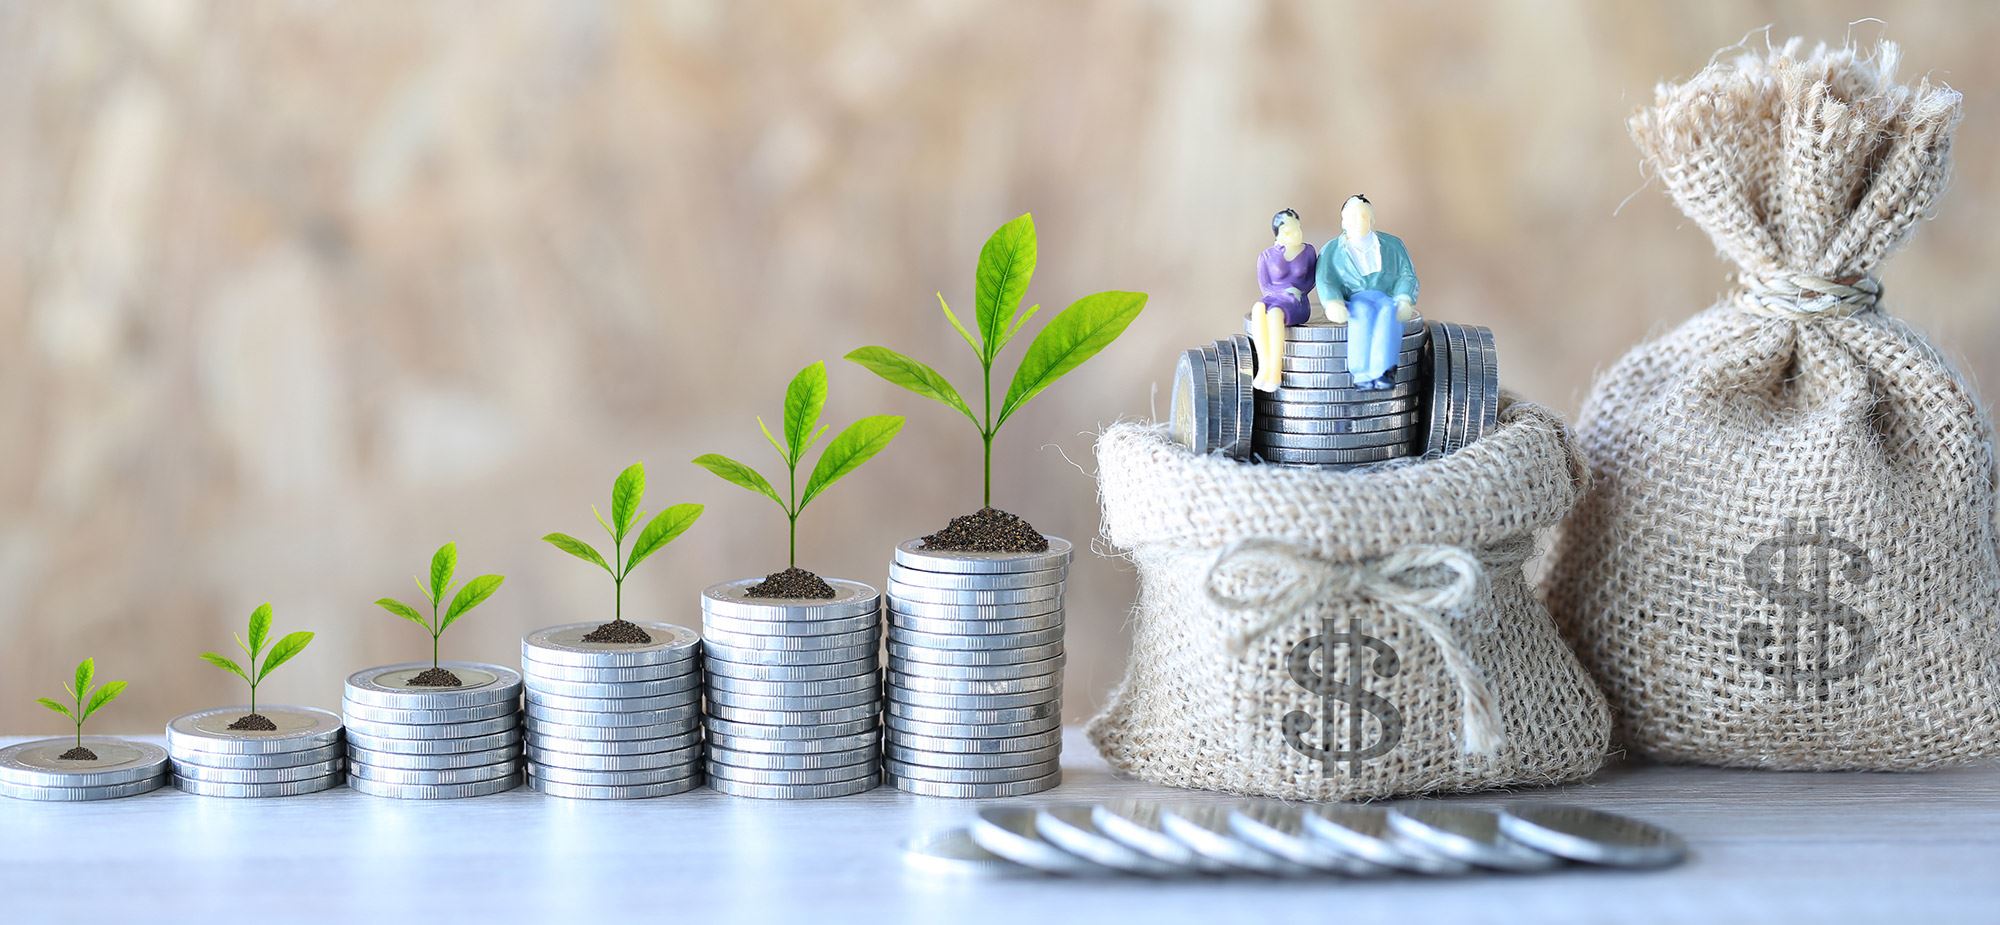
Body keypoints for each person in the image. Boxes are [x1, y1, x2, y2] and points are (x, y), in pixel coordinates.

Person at [1315, 195, 1419, 389]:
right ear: (1344, 222)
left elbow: (1407, 274)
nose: (1360, 222)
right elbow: (1325, 279)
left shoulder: (1393, 245)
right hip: (1357, 298)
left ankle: (1384, 370)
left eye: (1364, 216)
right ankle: (1361, 372)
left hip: (1384, 297)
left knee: (1389, 313)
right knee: (1361, 314)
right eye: (1354, 217)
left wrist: (1405, 298)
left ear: (1372, 219)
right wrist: (1332, 302)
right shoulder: (1332, 250)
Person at [1250, 209, 1317, 392]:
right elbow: (1265, 285)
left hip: (1297, 301)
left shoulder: (1309, 251)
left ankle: (1275, 370)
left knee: (1274, 315)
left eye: (1298, 228)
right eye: (1288, 232)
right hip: (1275, 297)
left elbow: (1313, 279)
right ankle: (1264, 367)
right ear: (1278, 234)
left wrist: (1298, 291)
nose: (1296, 234)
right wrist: (1279, 293)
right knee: (1257, 308)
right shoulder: (1267, 256)